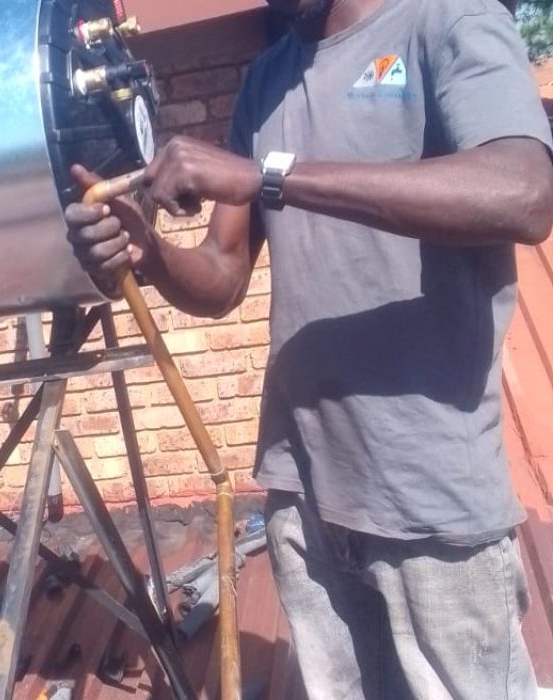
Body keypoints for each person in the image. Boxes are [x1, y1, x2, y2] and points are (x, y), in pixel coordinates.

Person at [65, 0, 553, 698]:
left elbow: (524, 192)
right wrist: (152, 254)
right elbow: (223, 276)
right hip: (304, 487)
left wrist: (272, 176)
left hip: (429, 490)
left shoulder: (448, 19)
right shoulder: (268, 82)